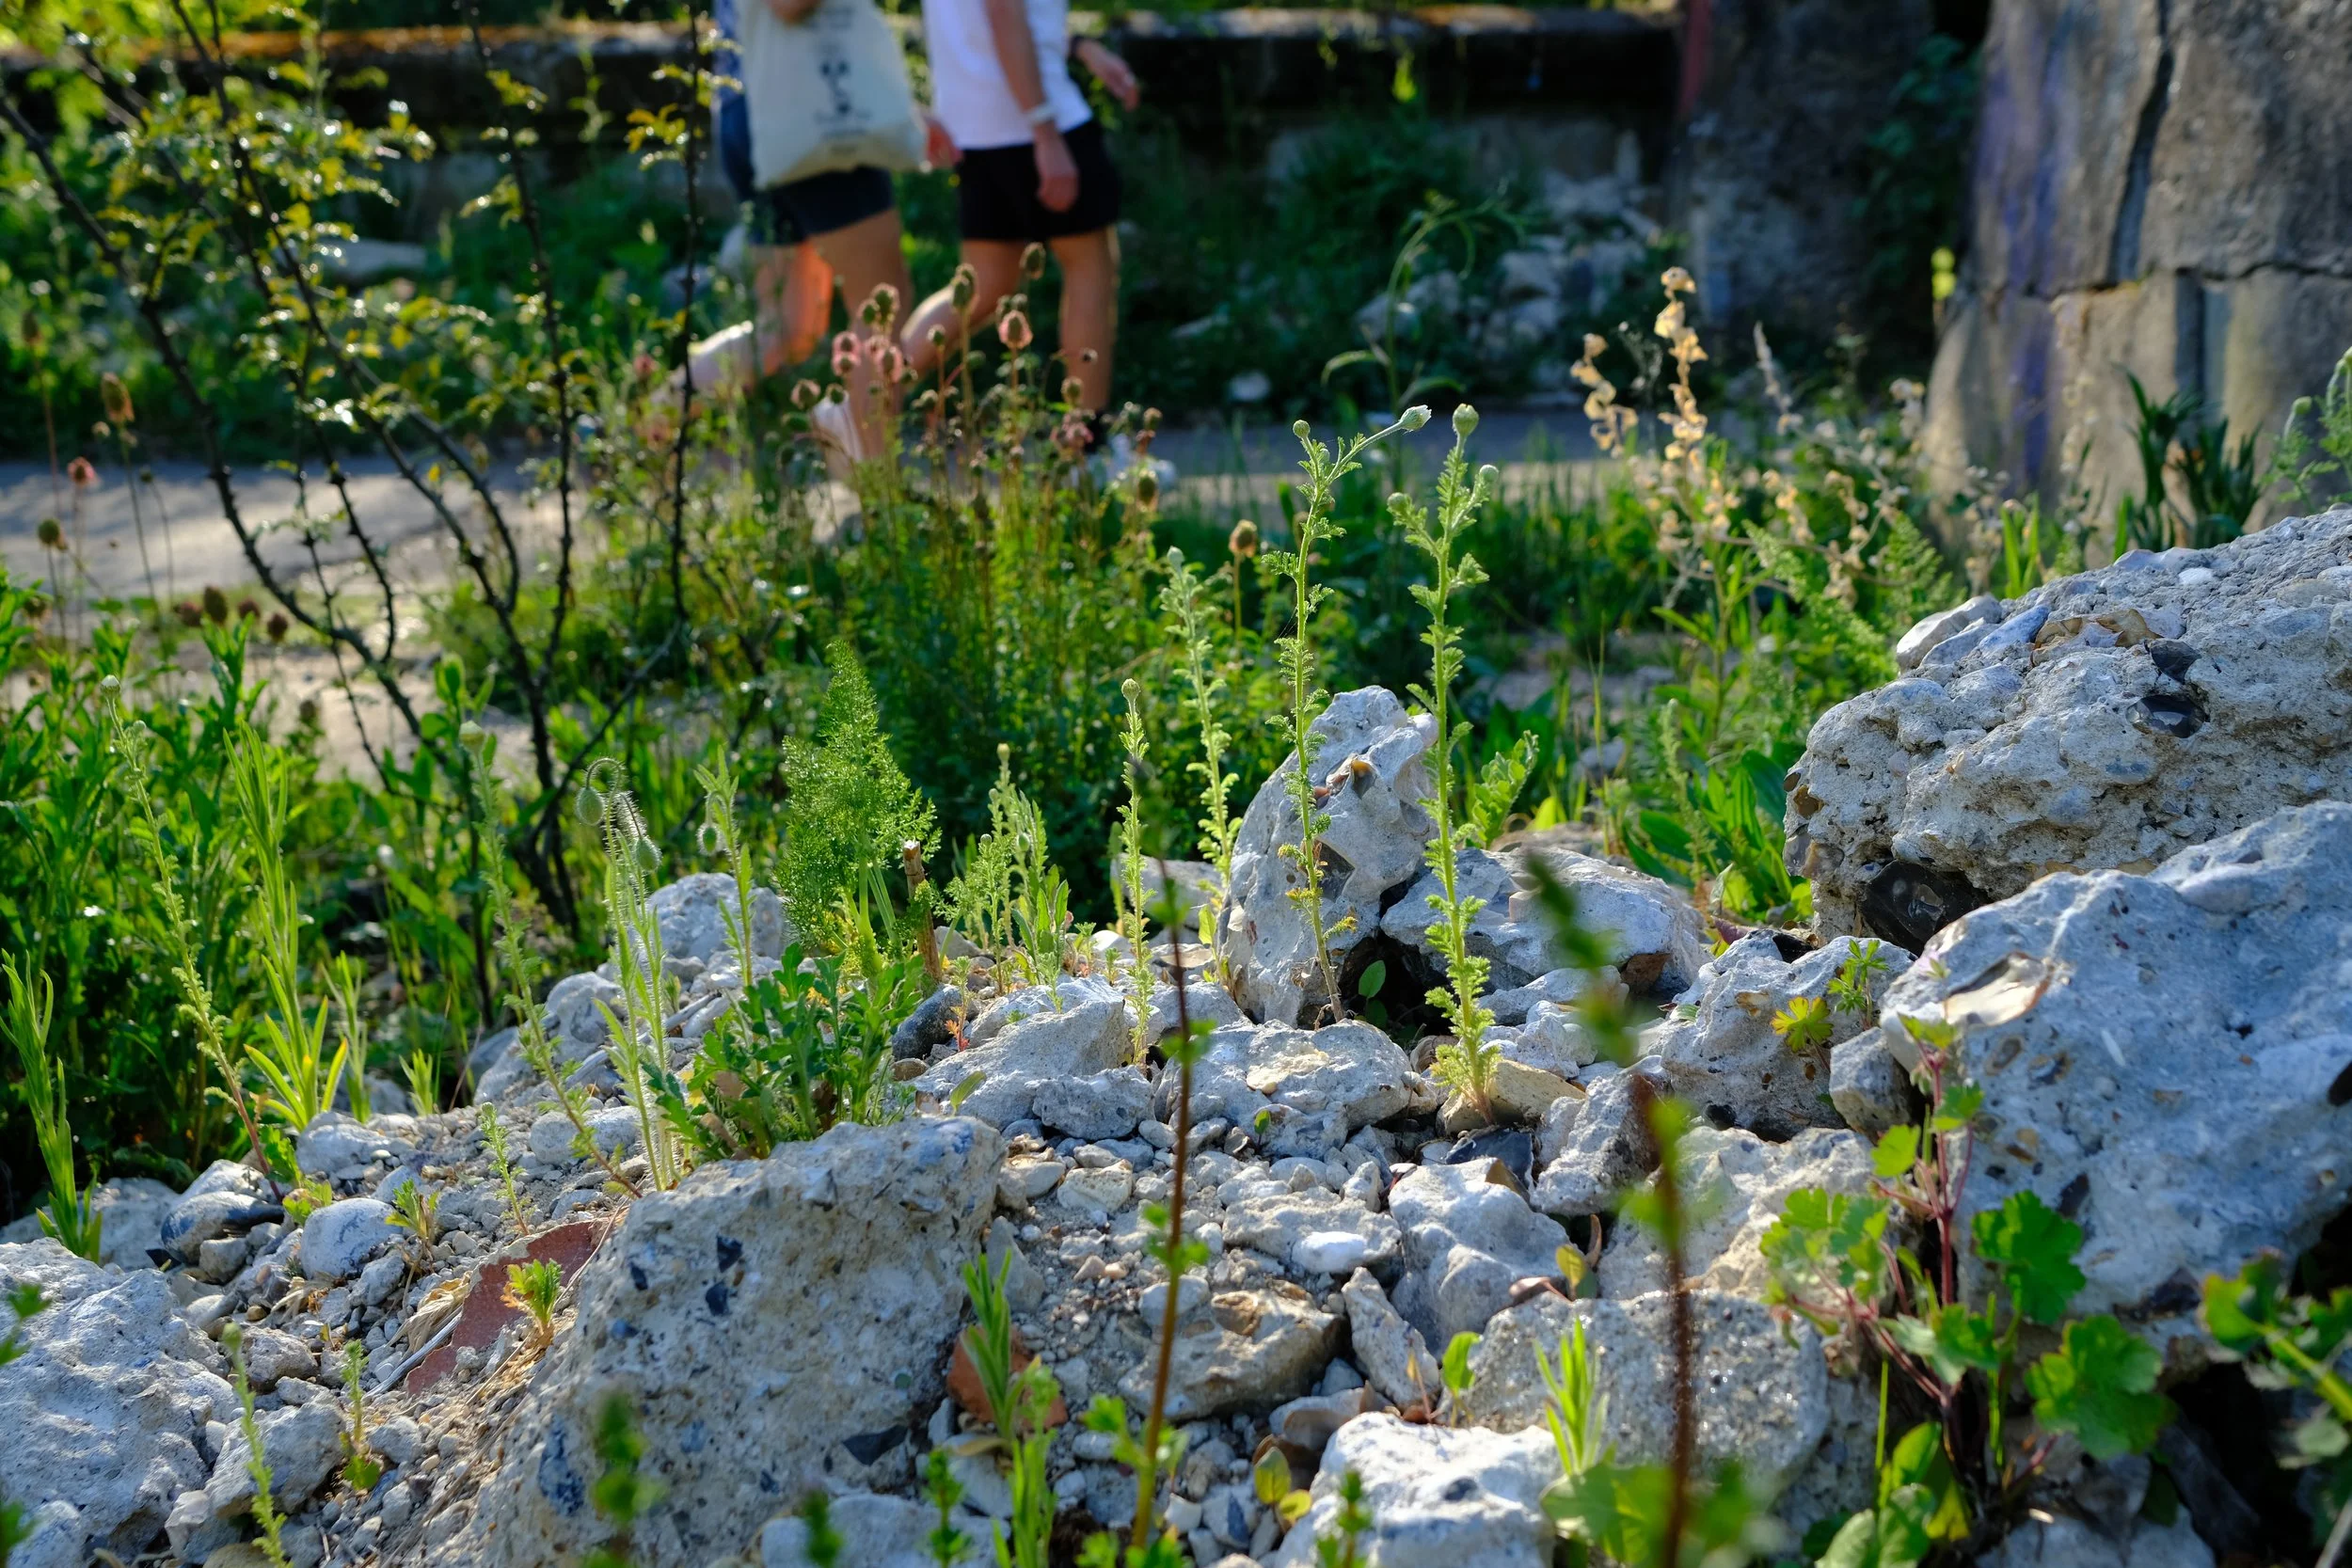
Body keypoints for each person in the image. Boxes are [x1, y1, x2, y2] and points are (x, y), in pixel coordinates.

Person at [700, 0, 917, 457]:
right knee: (881, 301)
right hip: (815, 112)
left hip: (751, 108)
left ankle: (644, 420)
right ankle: (872, 481)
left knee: (788, 327)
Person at [902, 0, 1138, 412]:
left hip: (973, 123)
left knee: (983, 285)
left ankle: (859, 404)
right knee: (1090, 268)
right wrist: (1045, 132)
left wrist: (1079, 46)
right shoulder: (1043, 125)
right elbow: (1003, 11)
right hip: (1038, 116)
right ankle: (1089, 441)